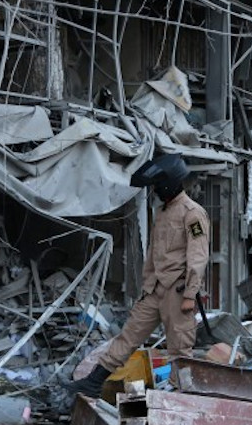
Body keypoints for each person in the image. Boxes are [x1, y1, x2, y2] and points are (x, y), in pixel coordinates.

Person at [64, 154, 209, 397]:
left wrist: (189, 294)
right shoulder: (162, 212)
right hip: (155, 290)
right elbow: (153, 253)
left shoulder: (192, 213)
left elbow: (198, 256)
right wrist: (146, 285)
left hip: (178, 291)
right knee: (128, 336)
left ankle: (180, 398)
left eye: (158, 186)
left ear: (168, 184)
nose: (155, 191)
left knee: (180, 349)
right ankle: (93, 383)